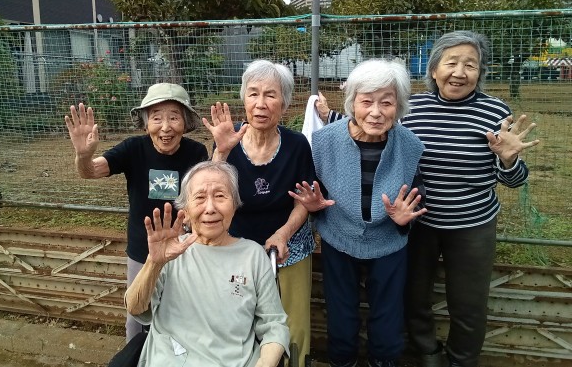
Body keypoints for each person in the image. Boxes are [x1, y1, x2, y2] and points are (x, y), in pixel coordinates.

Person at [316, 31, 540, 367]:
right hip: (416, 222)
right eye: (451, 63)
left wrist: (509, 160)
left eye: (470, 65)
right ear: (434, 69)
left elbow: (514, 179)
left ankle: (461, 360)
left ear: (480, 72)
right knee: (414, 297)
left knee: (468, 302)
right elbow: (370, 124)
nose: (459, 72)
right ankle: (428, 355)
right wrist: (328, 115)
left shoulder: (494, 111)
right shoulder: (413, 108)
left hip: (471, 224)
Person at [290, 59, 427, 367]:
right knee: (340, 309)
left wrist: (405, 218)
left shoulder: (409, 145)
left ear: (399, 107)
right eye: (366, 102)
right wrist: (314, 207)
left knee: (389, 312)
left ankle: (384, 360)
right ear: (352, 103)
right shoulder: (324, 141)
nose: (376, 112)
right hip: (338, 237)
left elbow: (417, 194)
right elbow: (314, 189)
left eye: (386, 103)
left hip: (389, 241)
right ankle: (342, 360)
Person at [64, 83, 208, 341]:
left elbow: (206, 194)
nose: (165, 127)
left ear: (186, 123)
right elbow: (90, 172)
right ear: (145, 124)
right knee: (136, 314)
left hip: (184, 249)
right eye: (157, 118)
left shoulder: (196, 152)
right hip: (143, 250)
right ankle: (136, 355)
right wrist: (83, 156)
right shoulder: (133, 149)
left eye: (174, 117)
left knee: (183, 311)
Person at [202, 59, 317, 367]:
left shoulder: (297, 145)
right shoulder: (228, 140)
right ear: (244, 99)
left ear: (285, 103)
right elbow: (210, 192)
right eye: (253, 93)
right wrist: (221, 151)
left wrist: (283, 233)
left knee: (293, 321)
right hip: (236, 246)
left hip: (288, 243)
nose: (261, 103)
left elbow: (303, 201)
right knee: (237, 316)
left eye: (270, 95)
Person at [125, 161, 290, 367]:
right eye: (200, 198)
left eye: (220, 196)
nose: (210, 208)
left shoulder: (253, 255)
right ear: (185, 210)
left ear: (234, 205)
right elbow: (135, 307)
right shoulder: (170, 252)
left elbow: (274, 325)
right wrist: (153, 263)